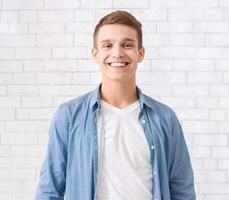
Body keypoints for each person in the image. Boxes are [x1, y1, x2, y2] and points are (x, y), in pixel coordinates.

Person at [35, 10, 195, 200]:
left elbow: (182, 189)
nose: (117, 53)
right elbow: (50, 190)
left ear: (140, 53)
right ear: (95, 54)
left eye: (127, 45)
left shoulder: (165, 118)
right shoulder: (69, 116)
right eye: (107, 45)